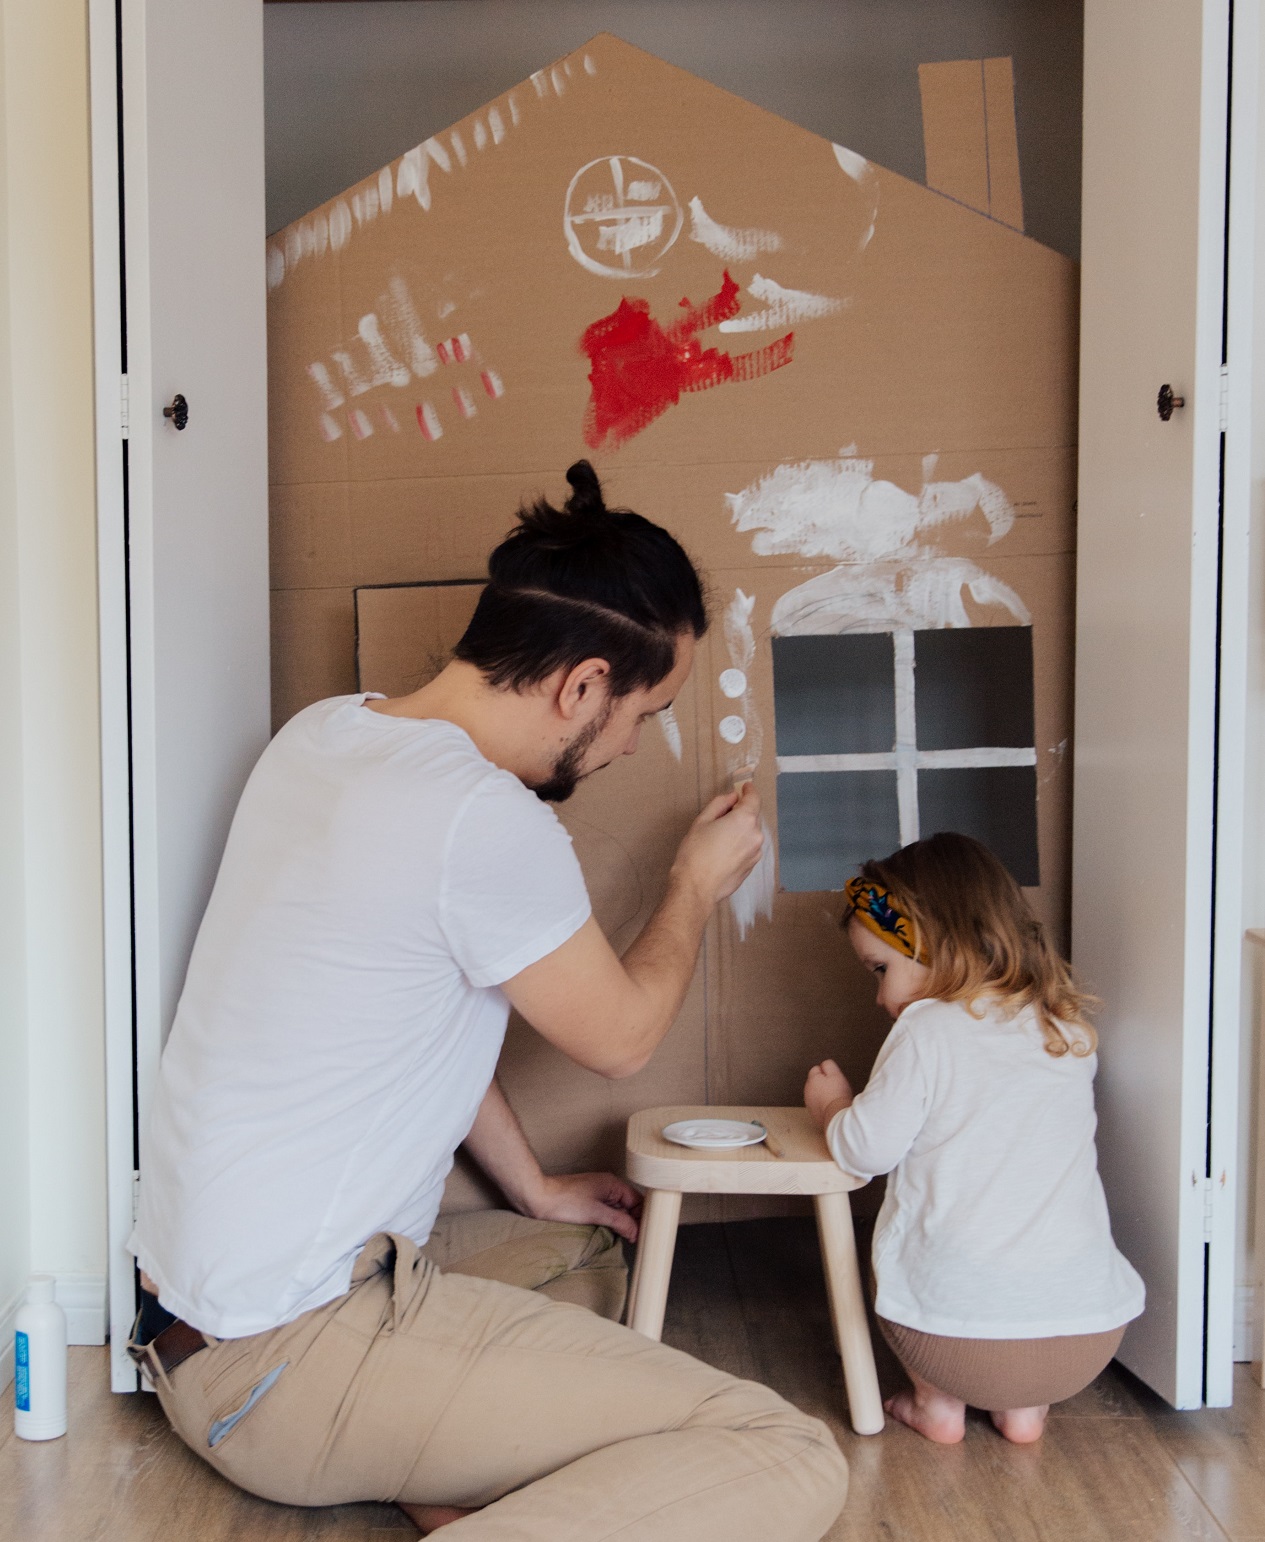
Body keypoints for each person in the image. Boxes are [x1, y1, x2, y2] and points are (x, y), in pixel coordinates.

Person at [128, 461, 849, 1540]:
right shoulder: (481, 819)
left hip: (192, 1323)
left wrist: (536, 1185)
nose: (630, 746)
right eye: (642, 714)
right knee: (785, 1452)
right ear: (582, 686)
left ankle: (442, 1482)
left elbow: (413, 1030)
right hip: (282, 1361)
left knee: (587, 1250)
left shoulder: (324, 736)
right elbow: (622, 1039)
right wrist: (692, 886)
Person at [803, 832, 1145, 1445]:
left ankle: (935, 1403)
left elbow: (866, 1150)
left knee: (899, 1248)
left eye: (881, 970)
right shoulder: (1066, 1027)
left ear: (932, 943)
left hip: (954, 1343)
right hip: (1086, 1338)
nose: (881, 997)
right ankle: (1024, 1411)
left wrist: (833, 1106)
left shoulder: (925, 1030)